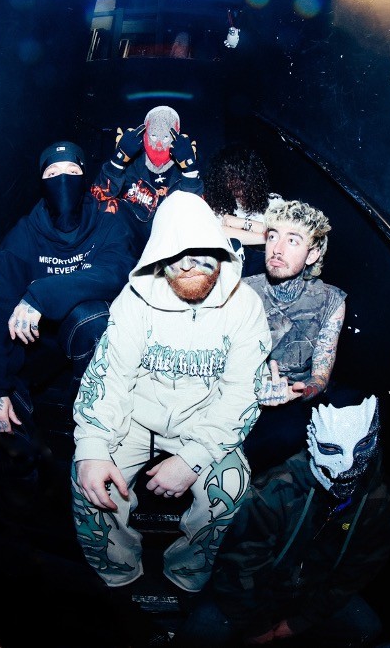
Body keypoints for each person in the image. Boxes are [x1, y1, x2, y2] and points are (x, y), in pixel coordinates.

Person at [70, 190, 273, 595]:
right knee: (88, 481)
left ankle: (187, 572)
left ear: (221, 251)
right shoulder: (136, 301)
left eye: (203, 255)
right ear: (160, 257)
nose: (191, 266)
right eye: (179, 256)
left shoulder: (244, 306)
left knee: (231, 486)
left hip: (204, 422)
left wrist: (193, 458)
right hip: (135, 420)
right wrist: (91, 446)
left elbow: (242, 395)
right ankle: (118, 572)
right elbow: (109, 376)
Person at [172, 384, 390, 648]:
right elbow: (239, 568)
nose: (347, 463)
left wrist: (301, 621)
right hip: (250, 596)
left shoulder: (380, 498)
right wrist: (256, 627)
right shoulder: (274, 491)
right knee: (200, 637)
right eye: (332, 450)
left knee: (366, 628)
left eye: (362, 446)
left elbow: (359, 570)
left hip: (311, 596)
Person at [0, 140, 141, 439]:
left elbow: (115, 273)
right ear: (41, 183)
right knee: (4, 434)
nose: (62, 180)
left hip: (93, 343)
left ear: (84, 178)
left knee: (91, 317)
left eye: (72, 171)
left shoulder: (107, 225)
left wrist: (40, 294)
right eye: (52, 174)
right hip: (37, 348)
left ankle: (91, 416)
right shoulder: (23, 236)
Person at [244, 198, 346, 472]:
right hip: (241, 392)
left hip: (291, 403)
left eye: (292, 240)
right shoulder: (243, 291)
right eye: (273, 236)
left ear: (312, 255)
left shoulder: (330, 301)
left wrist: (300, 391)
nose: (277, 249)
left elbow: (320, 376)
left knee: (287, 432)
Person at [90, 104, 203, 250]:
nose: (159, 143)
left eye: (166, 137)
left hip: (173, 246)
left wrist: (190, 171)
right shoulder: (130, 166)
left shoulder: (181, 171)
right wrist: (118, 161)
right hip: (130, 246)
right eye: (154, 136)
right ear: (145, 134)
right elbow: (96, 199)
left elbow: (197, 212)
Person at [204, 143, 284, 277]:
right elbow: (218, 232)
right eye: (229, 178)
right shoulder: (220, 205)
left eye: (241, 178)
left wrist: (241, 223)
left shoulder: (274, 203)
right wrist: (269, 237)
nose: (235, 184)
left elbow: (285, 233)